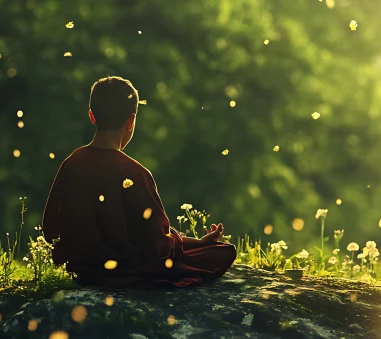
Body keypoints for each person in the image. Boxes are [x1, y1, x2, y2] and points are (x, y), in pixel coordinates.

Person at [42, 76, 236, 287]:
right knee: (224, 252)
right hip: (130, 270)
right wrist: (190, 244)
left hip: (84, 270)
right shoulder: (135, 173)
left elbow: (50, 230)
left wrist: (196, 242)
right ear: (130, 121)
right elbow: (158, 245)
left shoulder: (72, 163)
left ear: (92, 117)